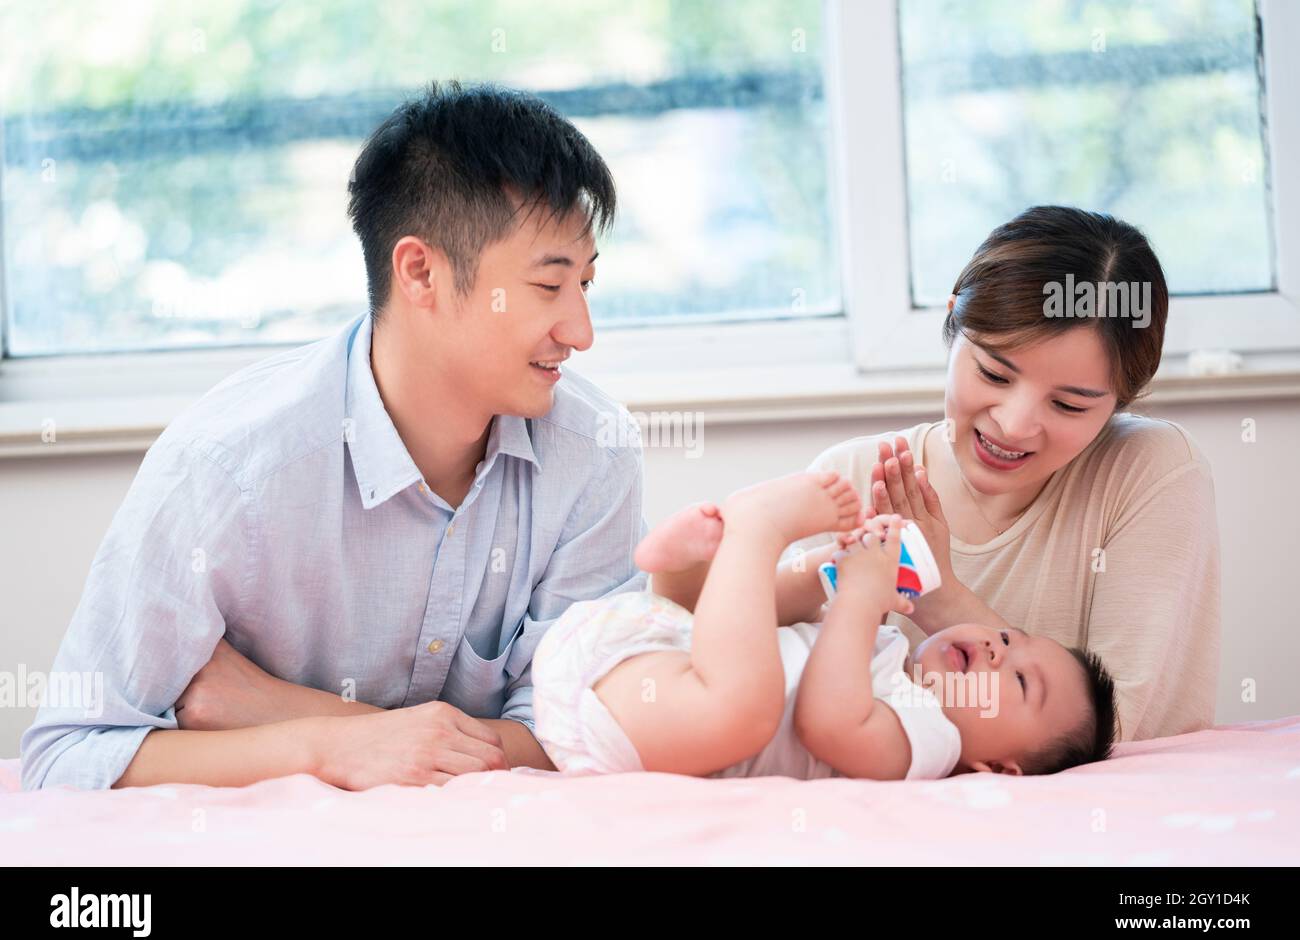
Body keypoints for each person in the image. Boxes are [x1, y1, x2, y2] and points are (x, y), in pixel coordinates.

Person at [21, 81, 648, 790]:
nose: (582, 333)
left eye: (586, 285)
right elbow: (70, 754)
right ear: (420, 272)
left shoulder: (594, 453)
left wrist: (276, 711)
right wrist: (319, 748)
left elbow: (583, 737)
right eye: (547, 287)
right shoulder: (228, 467)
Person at [789, 206, 1220, 742]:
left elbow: (1122, 738)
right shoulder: (848, 477)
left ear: (1119, 402)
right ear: (953, 321)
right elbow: (785, 698)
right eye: (994, 373)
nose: (1015, 426)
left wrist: (937, 594)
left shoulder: (1150, 472)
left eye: (1068, 405)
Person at [531, 473, 1118, 780]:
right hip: (658, 653)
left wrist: (861, 602)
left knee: (744, 708)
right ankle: (689, 573)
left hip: (632, 713)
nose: (995, 650)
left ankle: (753, 533)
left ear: (999, 769)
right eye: (1010, 639)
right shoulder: (891, 654)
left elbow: (827, 721)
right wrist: (843, 574)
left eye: (1019, 683)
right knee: (783, 614)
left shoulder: (929, 746)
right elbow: (784, 631)